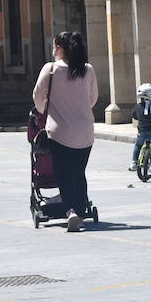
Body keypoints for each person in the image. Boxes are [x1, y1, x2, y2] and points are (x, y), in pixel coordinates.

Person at [32, 31, 98, 233]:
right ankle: (80, 208)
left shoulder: (51, 69)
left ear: (60, 48)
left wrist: (45, 109)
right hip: (85, 132)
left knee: (64, 175)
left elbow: (37, 95)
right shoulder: (87, 70)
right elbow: (93, 99)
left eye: (54, 46)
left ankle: (71, 211)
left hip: (60, 133)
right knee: (79, 173)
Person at [129, 83, 151, 171]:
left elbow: (134, 116)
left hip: (142, 131)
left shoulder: (137, 107)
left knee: (138, 146)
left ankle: (134, 162)